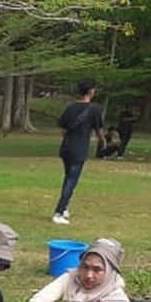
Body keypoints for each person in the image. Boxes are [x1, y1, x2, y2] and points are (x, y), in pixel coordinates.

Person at [53, 80, 105, 225]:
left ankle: (65, 206)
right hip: (79, 147)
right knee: (71, 180)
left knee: (68, 177)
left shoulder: (71, 107)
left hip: (66, 147)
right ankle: (59, 212)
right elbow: (99, 128)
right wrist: (102, 141)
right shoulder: (94, 109)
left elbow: (63, 129)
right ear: (90, 91)